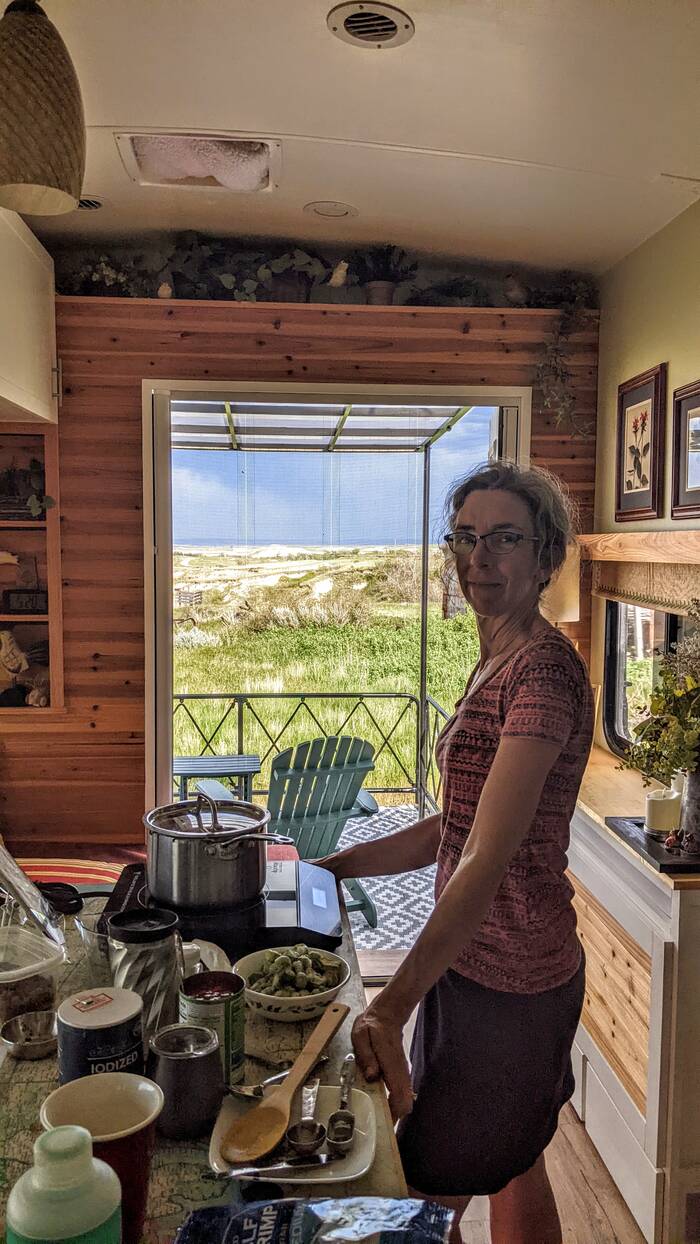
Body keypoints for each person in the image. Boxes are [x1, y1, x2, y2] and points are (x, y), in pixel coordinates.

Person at [317, 462, 594, 1244]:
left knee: (421, 1197)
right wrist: (334, 868)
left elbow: (487, 858)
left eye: (505, 538)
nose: (481, 557)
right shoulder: (496, 659)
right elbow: (457, 827)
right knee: (515, 1160)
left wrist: (391, 1001)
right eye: (466, 538)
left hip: (512, 985)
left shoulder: (544, 673)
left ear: (546, 556)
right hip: (471, 965)